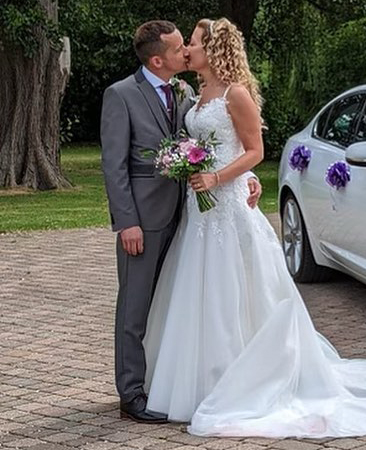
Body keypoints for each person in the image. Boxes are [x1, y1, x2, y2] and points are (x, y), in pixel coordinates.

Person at [142, 18, 366, 438]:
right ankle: (198, 381)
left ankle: (245, 379)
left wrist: (221, 178)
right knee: (201, 294)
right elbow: (213, 148)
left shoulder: (236, 94)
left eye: (194, 45)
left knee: (239, 292)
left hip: (228, 209)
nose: (187, 52)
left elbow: (255, 151)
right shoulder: (195, 97)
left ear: (212, 50)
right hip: (200, 214)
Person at [100, 20, 261, 424]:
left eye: (189, 45)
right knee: (135, 307)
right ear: (158, 59)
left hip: (189, 213)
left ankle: (166, 379)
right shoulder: (120, 95)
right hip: (145, 220)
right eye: (179, 49)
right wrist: (126, 222)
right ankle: (131, 393)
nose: (186, 52)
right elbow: (114, 166)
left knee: (170, 303)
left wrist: (247, 177)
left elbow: (225, 145)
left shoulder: (189, 92)